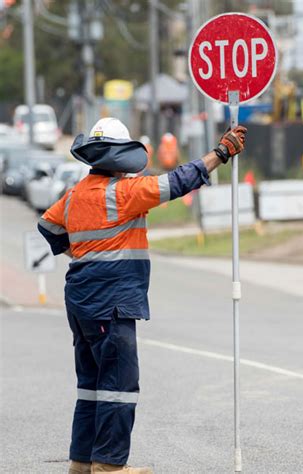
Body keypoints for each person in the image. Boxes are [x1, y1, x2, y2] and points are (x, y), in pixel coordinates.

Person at [37, 117, 247, 474]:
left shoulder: (74, 195)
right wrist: (221, 152)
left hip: (81, 300)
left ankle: (81, 461)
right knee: (119, 386)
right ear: (120, 157)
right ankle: (108, 465)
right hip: (112, 302)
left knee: (90, 385)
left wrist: (76, 251)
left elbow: (47, 225)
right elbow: (179, 181)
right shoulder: (124, 193)